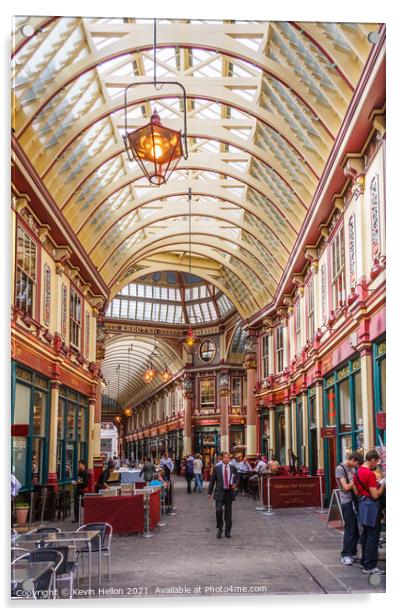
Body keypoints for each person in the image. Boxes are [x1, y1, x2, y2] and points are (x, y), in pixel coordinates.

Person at [353, 449, 386, 575]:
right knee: (373, 536)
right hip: (372, 507)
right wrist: (383, 484)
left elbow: (356, 492)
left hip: (362, 505)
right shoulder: (369, 474)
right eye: (376, 462)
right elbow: (375, 495)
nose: (376, 464)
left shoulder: (357, 472)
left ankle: (364, 562)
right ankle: (370, 566)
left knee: (365, 535)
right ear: (372, 459)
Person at [335, 451, 363, 565]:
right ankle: (345, 554)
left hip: (354, 500)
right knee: (350, 528)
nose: (356, 466)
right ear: (351, 459)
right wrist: (356, 480)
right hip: (347, 501)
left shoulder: (352, 469)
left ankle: (352, 552)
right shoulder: (340, 468)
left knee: (356, 529)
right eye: (356, 463)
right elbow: (346, 487)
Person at [208, 452, 237, 538]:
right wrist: (209, 492)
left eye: (228, 458)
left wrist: (235, 484)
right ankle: (220, 528)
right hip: (219, 493)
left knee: (228, 514)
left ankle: (227, 531)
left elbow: (237, 477)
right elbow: (212, 480)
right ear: (221, 458)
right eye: (225, 458)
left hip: (229, 493)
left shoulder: (233, 468)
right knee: (219, 510)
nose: (226, 459)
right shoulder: (217, 468)